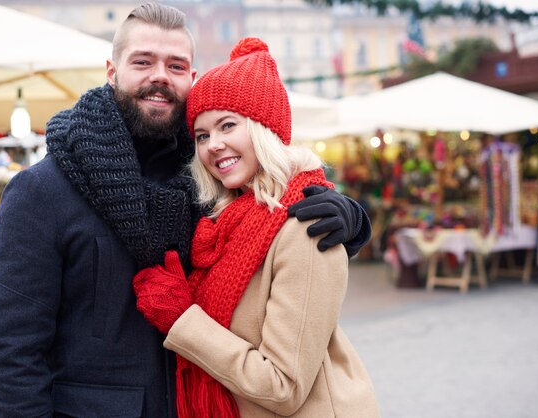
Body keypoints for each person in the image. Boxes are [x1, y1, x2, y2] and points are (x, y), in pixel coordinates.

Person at [0, 2, 369, 417]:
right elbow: (10, 357)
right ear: (112, 72)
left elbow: (277, 210)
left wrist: (351, 219)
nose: (160, 76)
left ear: (192, 79)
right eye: (143, 61)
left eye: (176, 66)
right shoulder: (41, 192)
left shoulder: (213, 188)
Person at [132, 37, 379, 418]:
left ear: (265, 129)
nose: (213, 145)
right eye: (202, 135)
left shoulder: (305, 225)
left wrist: (184, 320)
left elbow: (284, 387)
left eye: (227, 125)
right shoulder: (220, 224)